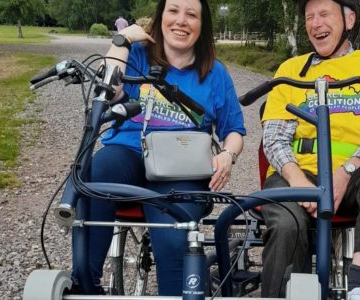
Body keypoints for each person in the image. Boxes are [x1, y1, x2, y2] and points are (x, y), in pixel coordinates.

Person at [71, 0, 246, 295]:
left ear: (202, 26)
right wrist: (122, 39)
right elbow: (107, 88)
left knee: (173, 236)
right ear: (160, 17)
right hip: (128, 151)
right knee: (95, 173)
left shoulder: (215, 74)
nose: (181, 21)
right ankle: (86, 286)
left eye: (192, 15)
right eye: (173, 11)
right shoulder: (137, 57)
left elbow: (235, 132)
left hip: (182, 165)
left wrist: (228, 155)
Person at [260, 0, 360, 299]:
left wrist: (346, 171)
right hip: (298, 172)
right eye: (309, 17)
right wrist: (300, 182)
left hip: (355, 177)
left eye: (324, 14)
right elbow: (274, 138)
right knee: (286, 223)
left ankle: (357, 285)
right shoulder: (291, 69)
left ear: (349, 19)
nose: (315, 23)